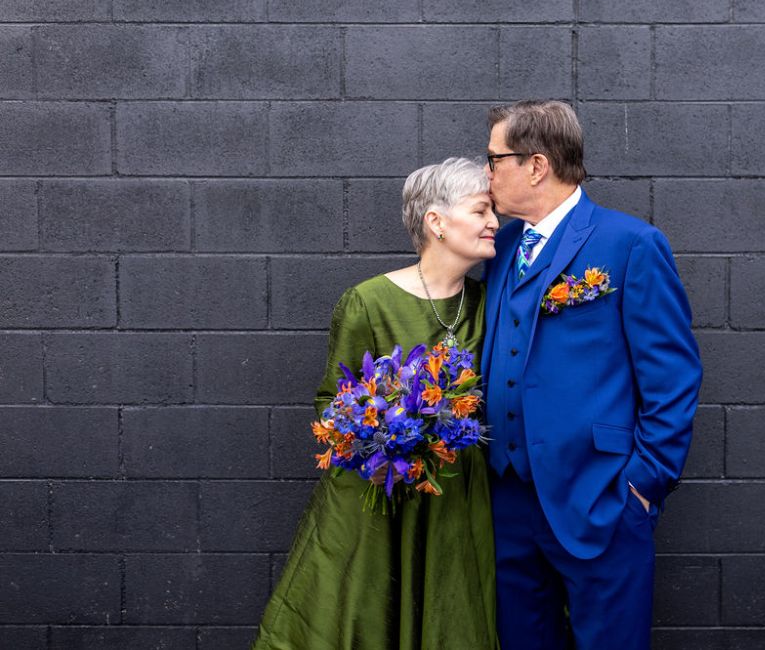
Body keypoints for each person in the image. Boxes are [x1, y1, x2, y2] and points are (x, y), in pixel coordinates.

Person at [252, 157, 500, 650]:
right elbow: (332, 404)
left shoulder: (492, 304)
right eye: (481, 210)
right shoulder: (367, 302)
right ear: (437, 221)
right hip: (381, 502)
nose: (495, 222)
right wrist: (386, 436)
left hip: (457, 500)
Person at [482, 100, 703, 650]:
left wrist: (641, 485)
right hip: (506, 501)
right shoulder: (500, 245)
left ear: (536, 165)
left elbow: (672, 376)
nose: (486, 173)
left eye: (494, 159)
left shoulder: (629, 245)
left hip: (600, 496)